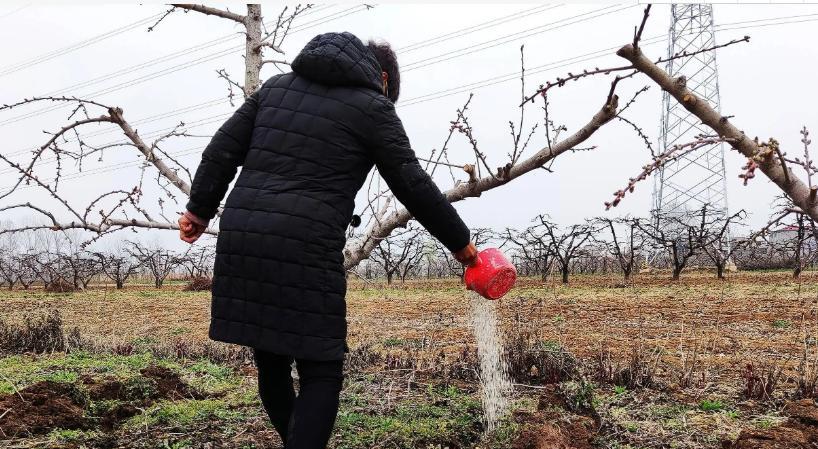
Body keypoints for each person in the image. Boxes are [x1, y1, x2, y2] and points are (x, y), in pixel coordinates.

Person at [178, 32, 478, 449]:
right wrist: (462, 245)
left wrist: (198, 209)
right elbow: (412, 184)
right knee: (321, 367)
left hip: (244, 235)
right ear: (385, 79)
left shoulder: (275, 89)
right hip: (305, 243)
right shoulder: (372, 107)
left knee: (271, 355)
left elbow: (221, 150)